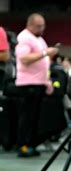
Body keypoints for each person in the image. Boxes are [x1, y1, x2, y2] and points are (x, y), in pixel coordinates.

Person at [15, 13, 59, 157]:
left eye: (43, 26)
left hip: (38, 82)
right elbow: (25, 59)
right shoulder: (24, 38)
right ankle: (23, 145)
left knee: (34, 118)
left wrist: (47, 82)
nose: (42, 29)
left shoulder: (38, 39)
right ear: (30, 25)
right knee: (26, 117)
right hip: (28, 84)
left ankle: (31, 144)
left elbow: (43, 62)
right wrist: (46, 53)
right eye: (39, 26)